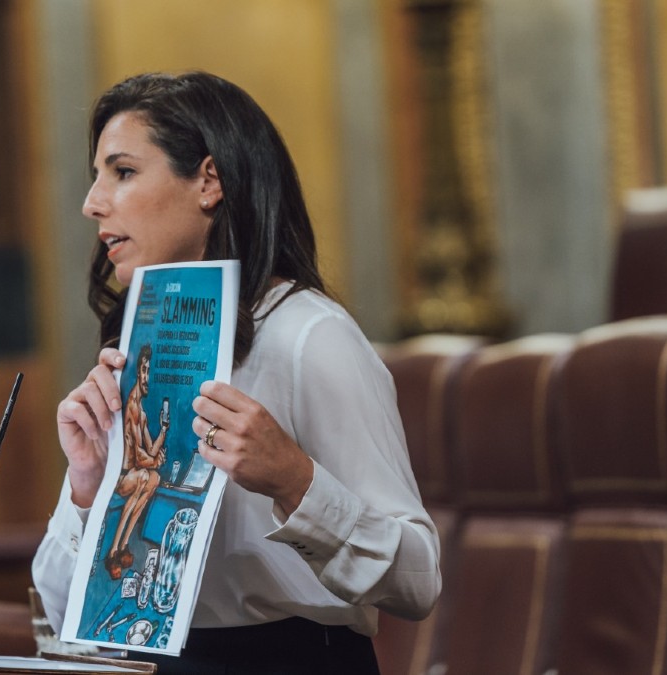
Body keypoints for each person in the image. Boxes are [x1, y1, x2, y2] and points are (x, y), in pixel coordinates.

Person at [32, 71, 440, 675]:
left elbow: (419, 581)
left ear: (208, 180)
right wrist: (90, 487)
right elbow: (61, 607)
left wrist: (296, 481)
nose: (92, 202)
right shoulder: (142, 344)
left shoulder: (312, 336)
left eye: (121, 172)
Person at [105, 343, 168, 580]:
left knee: (154, 479)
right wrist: (152, 461)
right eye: (143, 371)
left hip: (135, 475)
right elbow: (140, 455)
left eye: (148, 372)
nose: (146, 378)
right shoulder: (131, 405)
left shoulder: (140, 410)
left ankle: (124, 544)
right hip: (124, 477)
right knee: (144, 476)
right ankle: (114, 550)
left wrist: (162, 430)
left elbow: (150, 448)